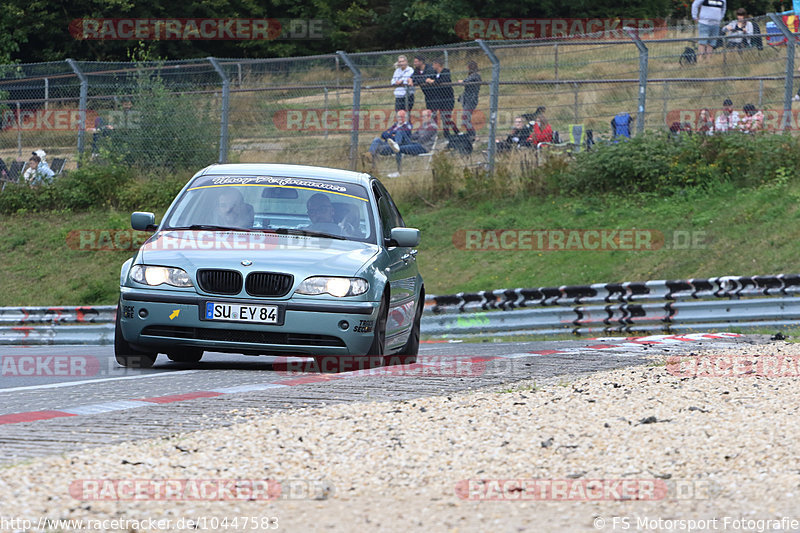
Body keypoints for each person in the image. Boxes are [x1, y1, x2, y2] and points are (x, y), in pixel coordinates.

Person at [424, 58, 459, 136]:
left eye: (434, 64)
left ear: (438, 64)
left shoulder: (446, 72)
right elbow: (428, 79)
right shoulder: (435, 74)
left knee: (445, 117)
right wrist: (429, 80)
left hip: (448, 99)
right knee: (440, 117)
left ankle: (452, 133)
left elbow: (443, 81)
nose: (432, 66)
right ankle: (447, 134)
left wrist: (432, 81)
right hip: (439, 99)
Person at [458, 61, 481, 141]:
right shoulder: (473, 76)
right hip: (467, 99)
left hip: (471, 100)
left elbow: (465, 82)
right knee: (465, 119)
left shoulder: (475, 76)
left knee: (465, 119)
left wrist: (462, 81)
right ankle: (471, 134)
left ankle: (473, 135)